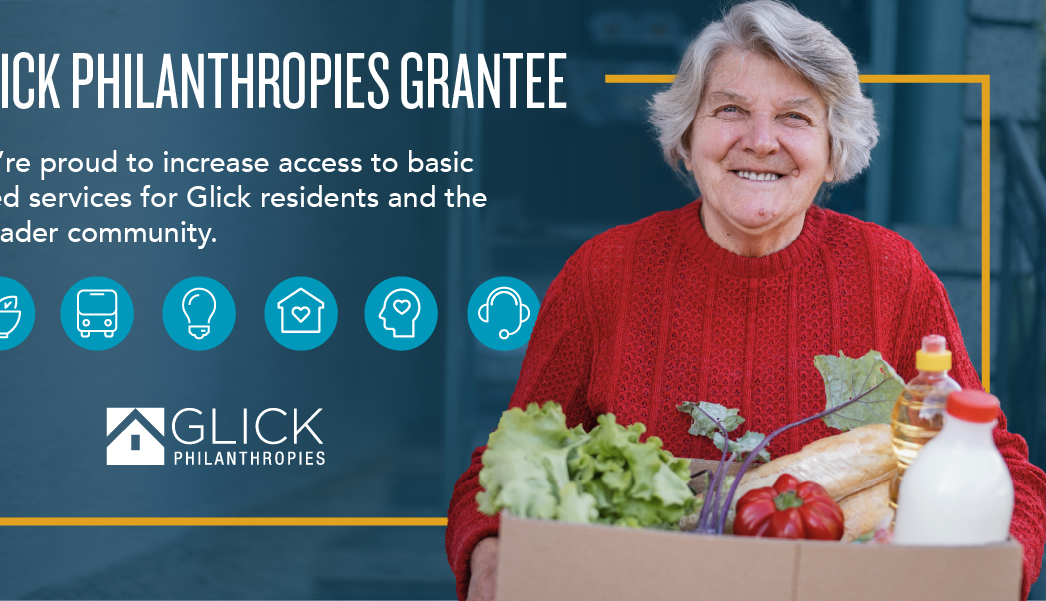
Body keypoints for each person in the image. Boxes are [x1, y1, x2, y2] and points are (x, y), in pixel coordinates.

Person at [444, 2, 1046, 600]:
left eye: (795, 117)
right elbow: (501, 469)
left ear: (833, 149)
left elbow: (1004, 470)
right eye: (731, 109)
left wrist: (992, 579)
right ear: (687, 133)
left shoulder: (890, 273)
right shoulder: (603, 273)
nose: (760, 142)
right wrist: (492, 562)